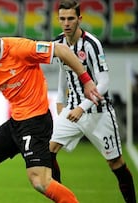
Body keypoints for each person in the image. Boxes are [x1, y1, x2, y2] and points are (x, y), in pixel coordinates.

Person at [0, 22, 103, 203]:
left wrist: (86, 80)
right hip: (16, 122)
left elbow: (61, 50)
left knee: (40, 181)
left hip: (36, 121)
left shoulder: (21, 49)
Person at [49, 1, 136, 202]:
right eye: (62, 19)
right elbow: (64, 71)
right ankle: (63, 200)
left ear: (80, 19)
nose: (66, 23)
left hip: (99, 113)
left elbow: (104, 82)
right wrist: (60, 100)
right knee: (47, 152)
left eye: (71, 18)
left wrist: (82, 107)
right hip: (72, 109)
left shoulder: (91, 44)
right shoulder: (59, 42)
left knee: (116, 164)